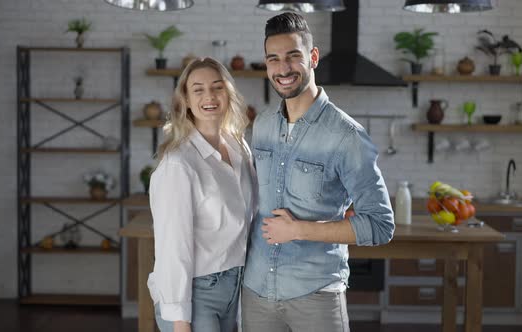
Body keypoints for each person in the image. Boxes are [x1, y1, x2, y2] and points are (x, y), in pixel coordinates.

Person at [242, 12, 395, 332]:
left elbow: (380, 225)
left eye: (293, 56)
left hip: (316, 296)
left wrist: (299, 230)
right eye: (273, 59)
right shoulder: (263, 125)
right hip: (256, 294)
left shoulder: (346, 135)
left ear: (313, 57)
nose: (282, 69)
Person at [147, 57, 257, 332]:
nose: (209, 96)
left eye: (217, 87)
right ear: (185, 99)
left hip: (236, 288)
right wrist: (180, 321)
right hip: (195, 294)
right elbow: (173, 247)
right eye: (198, 89)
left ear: (228, 93)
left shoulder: (239, 147)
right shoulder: (179, 163)